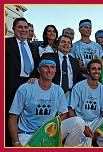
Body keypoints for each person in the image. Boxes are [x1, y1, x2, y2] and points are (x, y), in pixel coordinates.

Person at [8, 56, 85, 147]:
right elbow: (13, 117)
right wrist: (16, 142)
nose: (49, 70)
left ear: (55, 70)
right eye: (46, 67)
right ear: (39, 70)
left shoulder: (58, 90)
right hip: (28, 134)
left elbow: (64, 114)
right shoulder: (25, 88)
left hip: (49, 132)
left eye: (52, 67)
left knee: (78, 122)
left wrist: (51, 127)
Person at [5, 17, 40, 146]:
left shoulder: (34, 48)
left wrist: (34, 77)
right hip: (9, 89)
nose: (23, 30)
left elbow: (38, 67)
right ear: (13, 29)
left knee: (24, 119)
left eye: (26, 27)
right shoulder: (5, 43)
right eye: (20, 27)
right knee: (9, 119)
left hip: (29, 87)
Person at [67, 59, 103, 146]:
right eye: (93, 69)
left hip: (95, 121)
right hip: (80, 121)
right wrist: (82, 126)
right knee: (83, 144)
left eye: (99, 69)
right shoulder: (79, 86)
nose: (96, 71)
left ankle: (98, 143)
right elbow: (70, 108)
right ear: (88, 71)